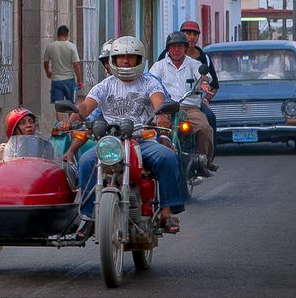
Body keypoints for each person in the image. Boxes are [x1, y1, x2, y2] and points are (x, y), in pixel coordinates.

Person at [61, 36, 183, 239]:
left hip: (142, 140)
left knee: (167, 158)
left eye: (131, 57)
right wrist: (71, 118)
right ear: (113, 60)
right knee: (85, 161)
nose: (125, 61)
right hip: (111, 142)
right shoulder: (104, 86)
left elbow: (158, 101)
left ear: (139, 60)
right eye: (120, 57)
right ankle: (89, 217)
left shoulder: (148, 83)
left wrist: (161, 115)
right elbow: (86, 106)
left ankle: (166, 213)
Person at [149, 31, 218, 175]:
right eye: (173, 47)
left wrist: (204, 84)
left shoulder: (194, 64)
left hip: (189, 107)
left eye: (179, 46)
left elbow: (203, 77)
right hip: (166, 107)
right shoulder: (159, 66)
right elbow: (150, 82)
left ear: (185, 48)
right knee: (155, 128)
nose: (176, 50)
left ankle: (204, 161)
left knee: (204, 128)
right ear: (168, 49)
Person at [176, 20, 220, 147]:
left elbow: (214, 85)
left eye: (195, 34)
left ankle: (207, 158)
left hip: (194, 103)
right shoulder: (168, 56)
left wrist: (205, 99)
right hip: (172, 102)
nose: (191, 37)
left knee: (209, 119)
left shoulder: (203, 59)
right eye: (188, 33)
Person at [43, 25, 83, 121]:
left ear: (57, 35)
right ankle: (70, 124)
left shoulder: (50, 46)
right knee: (71, 105)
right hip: (69, 80)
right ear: (67, 35)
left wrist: (48, 72)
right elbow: (76, 65)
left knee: (58, 105)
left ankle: (59, 125)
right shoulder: (72, 47)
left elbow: (45, 62)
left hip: (56, 80)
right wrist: (79, 80)